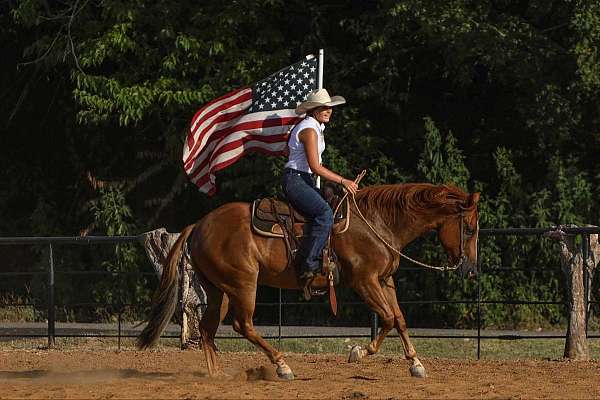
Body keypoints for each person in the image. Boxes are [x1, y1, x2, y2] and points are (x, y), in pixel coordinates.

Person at [282, 88, 359, 287]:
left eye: (330, 107)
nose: (328, 110)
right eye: (324, 107)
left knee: (331, 206)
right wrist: (343, 181)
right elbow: (316, 166)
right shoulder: (308, 129)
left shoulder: (313, 127)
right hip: (296, 181)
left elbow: (289, 153)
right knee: (325, 213)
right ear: (314, 110)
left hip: (302, 179)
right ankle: (309, 265)